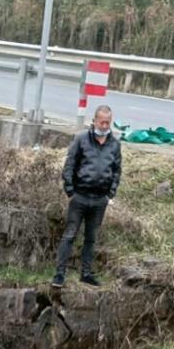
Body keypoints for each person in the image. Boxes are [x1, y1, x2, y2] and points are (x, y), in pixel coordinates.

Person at [52, 106, 122, 288]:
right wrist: (70, 191)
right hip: (80, 196)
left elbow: (116, 170)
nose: (105, 126)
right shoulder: (81, 139)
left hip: (100, 200)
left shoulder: (114, 144)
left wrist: (110, 193)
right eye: (102, 122)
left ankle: (86, 273)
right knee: (69, 235)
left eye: (108, 122)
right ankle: (59, 274)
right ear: (94, 121)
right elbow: (69, 165)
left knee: (91, 238)